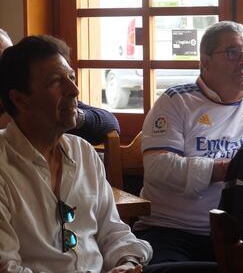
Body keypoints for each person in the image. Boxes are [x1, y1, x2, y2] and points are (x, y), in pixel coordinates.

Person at [0, 35, 152, 273]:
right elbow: (7, 266)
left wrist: (127, 263)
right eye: (55, 82)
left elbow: (113, 231)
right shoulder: (4, 163)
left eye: (71, 77)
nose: (74, 89)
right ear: (20, 99)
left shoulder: (83, 152)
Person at [133, 20, 243, 264]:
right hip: (170, 230)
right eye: (233, 53)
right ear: (206, 60)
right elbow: (158, 167)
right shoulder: (176, 101)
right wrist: (222, 169)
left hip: (239, 233)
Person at [0, 28, 120, 145]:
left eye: (5, 59)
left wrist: (70, 113)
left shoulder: (40, 103)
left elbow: (110, 123)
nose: (75, 90)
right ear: (19, 100)